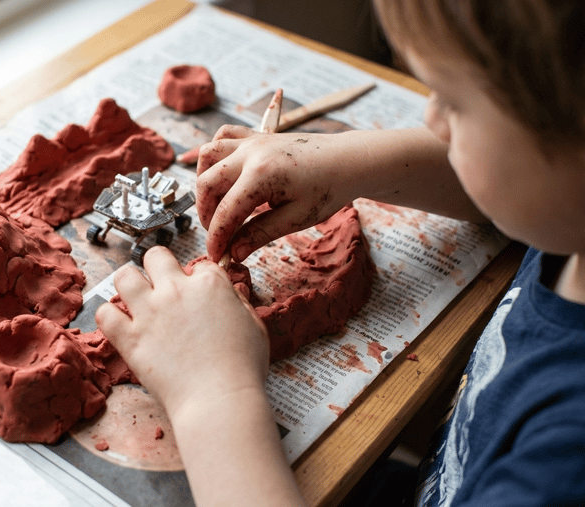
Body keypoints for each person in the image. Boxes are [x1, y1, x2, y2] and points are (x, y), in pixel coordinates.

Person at [95, 0, 585, 505]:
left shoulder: (560, 469)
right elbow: (515, 176)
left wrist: (213, 395)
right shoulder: (569, 219)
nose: (432, 120)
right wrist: (352, 161)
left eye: (455, 103)